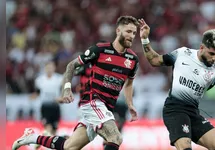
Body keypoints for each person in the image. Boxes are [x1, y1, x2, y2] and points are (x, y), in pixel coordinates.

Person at [12, 15, 140, 150]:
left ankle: (30, 138)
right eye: (128, 31)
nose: (131, 36)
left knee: (69, 146)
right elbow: (71, 66)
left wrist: (130, 104)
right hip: (93, 102)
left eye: (133, 33)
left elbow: (129, 83)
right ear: (118, 31)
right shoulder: (100, 49)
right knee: (115, 137)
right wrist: (66, 89)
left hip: (107, 107)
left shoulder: (132, 59)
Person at [138, 18, 215, 150]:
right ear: (202, 47)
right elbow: (155, 60)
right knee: (186, 148)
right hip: (175, 110)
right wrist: (145, 40)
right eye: (211, 53)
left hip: (193, 113)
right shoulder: (182, 54)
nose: (214, 58)